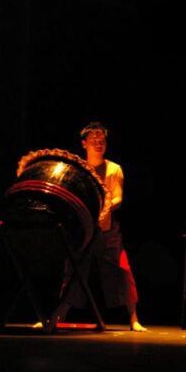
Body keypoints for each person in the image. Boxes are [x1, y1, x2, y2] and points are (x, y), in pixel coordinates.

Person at [46, 122, 146, 332]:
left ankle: (134, 319)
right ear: (84, 144)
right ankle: (58, 315)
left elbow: (118, 196)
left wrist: (108, 205)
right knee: (74, 270)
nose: (99, 144)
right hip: (83, 228)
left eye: (102, 141)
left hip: (107, 227)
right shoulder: (78, 169)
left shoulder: (113, 169)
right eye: (94, 141)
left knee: (121, 268)